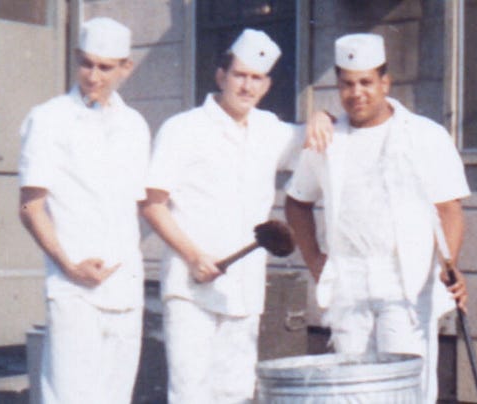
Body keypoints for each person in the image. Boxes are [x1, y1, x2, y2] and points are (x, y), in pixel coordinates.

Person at [139, 29, 333, 403]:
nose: (246, 86)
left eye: (256, 78)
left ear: (266, 85)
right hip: (191, 287)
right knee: (191, 394)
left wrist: (322, 114)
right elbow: (152, 204)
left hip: (243, 293)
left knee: (236, 393)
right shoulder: (183, 129)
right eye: (239, 75)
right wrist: (194, 256)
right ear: (221, 76)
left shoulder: (269, 130)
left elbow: (315, 138)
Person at [284, 33, 470, 404]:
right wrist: (315, 260)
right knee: (353, 390)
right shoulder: (327, 138)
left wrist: (448, 265)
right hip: (348, 282)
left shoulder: (424, 135)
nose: (357, 93)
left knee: (408, 389)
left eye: (367, 82)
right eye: (348, 84)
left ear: (385, 82)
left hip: (406, 281)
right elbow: (296, 203)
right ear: (338, 86)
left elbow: (449, 210)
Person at [17, 17, 149, 404]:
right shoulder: (48, 119)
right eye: (86, 64)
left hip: (125, 287)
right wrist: (69, 264)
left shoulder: (135, 126)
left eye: (105, 67)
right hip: (73, 289)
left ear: (126, 67)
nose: (94, 76)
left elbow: (139, 206)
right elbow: (30, 207)